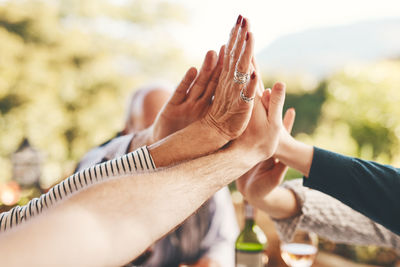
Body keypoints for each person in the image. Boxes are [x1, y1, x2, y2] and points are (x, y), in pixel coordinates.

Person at [0, 16, 288, 267]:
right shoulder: (97, 160)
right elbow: (85, 211)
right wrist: (237, 152)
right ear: (126, 129)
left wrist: (159, 140)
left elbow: (29, 218)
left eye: (183, 131)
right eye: (148, 128)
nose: (180, 140)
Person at [77, 83, 238, 266]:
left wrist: (212, 262)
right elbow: (88, 171)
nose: (168, 143)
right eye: (154, 132)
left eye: (177, 132)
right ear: (127, 133)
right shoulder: (99, 166)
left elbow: (222, 242)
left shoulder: (204, 174)